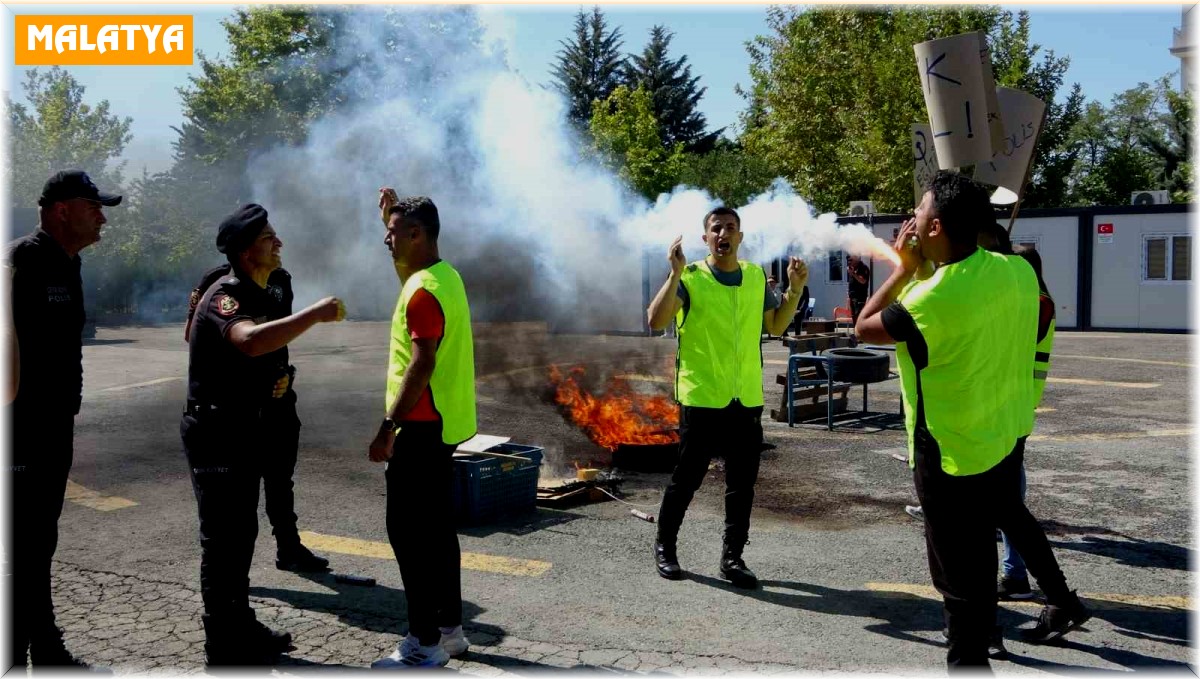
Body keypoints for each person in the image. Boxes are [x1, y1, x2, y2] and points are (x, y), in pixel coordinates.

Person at [855, 171, 1087, 670]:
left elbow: (864, 327)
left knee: (958, 591)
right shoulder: (1017, 272)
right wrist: (925, 270)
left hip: (948, 455)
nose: (911, 218)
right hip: (1001, 440)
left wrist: (901, 268)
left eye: (919, 211)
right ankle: (994, 633)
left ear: (935, 227)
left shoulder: (930, 298)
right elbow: (955, 301)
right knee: (982, 562)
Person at [182, 204, 346, 666]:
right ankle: (222, 643)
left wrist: (277, 378)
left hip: (243, 425)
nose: (279, 243)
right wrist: (315, 314)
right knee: (222, 539)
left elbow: (264, 351)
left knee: (242, 532)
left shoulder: (264, 289)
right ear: (245, 250)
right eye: (269, 238)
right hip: (215, 430)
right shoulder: (225, 294)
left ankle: (239, 622)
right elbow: (249, 340)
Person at [645, 207, 807, 589]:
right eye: (716, 228)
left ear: (740, 236)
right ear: (706, 239)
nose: (723, 234)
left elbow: (775, 325)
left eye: (730, 228)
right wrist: (674, 274)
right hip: (702, 399)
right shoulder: (692, 277)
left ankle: (732, 558)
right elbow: (655, 320)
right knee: (686, 480)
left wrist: (795, 289)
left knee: (742, 485)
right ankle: (665, 545)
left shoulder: (753, 277)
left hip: (745, 400)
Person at [3, 170, 120, 671]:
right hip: (19, 429)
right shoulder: (20, 259)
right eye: (92, 205)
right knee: (20, 544)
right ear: (60, 209)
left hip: (54, 427)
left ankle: (43, 648)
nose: (102, 215)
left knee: (38, 541)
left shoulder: (67, 263)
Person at [369, 190, 477, 668]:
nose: (386, 240)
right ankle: (450, 630)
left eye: (393, 232)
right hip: (445, 426)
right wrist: (385, 216)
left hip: (418, 428)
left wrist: (388, 425)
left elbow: (422, 363)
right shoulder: (442, 276)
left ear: (417, 234)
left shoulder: (422, 292)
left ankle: (423, 643)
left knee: (408, 534)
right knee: (437, 530)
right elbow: (406, 272)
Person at [185, 263, 331, 574]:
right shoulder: (220, 281)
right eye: (268, 238)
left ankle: (288, 547)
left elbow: (279, 338)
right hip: (239, 406)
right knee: (228, 504)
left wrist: (285, 375)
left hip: (278, 398)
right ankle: (225, 574)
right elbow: (194, 336)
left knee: (281, 479)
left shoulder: (280, 280)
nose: (278, 245)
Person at [996, 245, 1056, 602]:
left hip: (1015, 404)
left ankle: (1016, 575)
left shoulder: (1037, 302)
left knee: (1009, 499)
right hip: (1016, 403)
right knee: (1008, 496)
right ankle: (1015, 573)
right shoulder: (1035, 297)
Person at [847, 254, 871, 324]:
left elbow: (863, 281)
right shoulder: (853, 269)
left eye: (851, 260)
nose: (849, 262)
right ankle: (856, 333)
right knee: (854, 316)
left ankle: (860, 334)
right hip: (852, 296)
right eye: (848, 260)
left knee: (858, 316)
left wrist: (853, 274)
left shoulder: (863, 268)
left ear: (856, 259)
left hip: (859, 297)